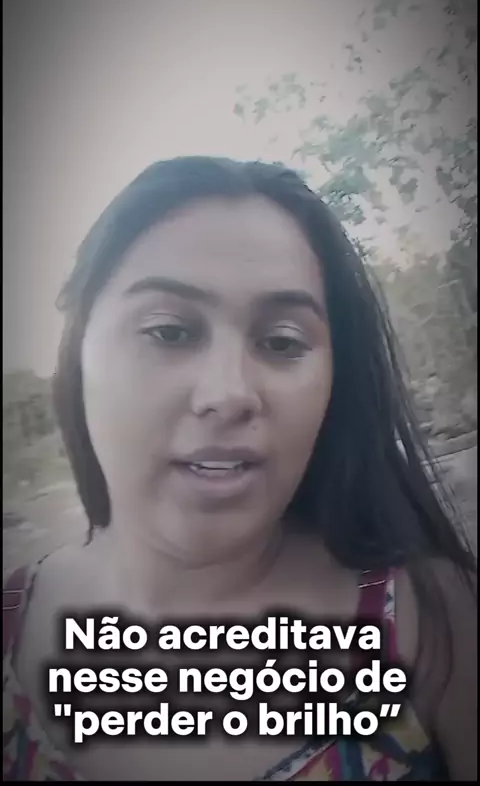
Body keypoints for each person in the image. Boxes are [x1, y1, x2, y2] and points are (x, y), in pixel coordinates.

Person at [3, 156, 477, 781]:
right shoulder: (13, 626)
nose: (228, 393)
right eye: (169, 332)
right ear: (78, 349)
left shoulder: (430, 615)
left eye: (282, 342)